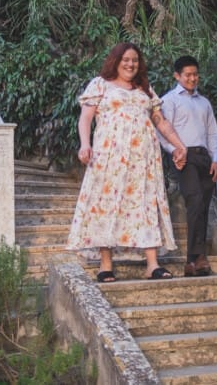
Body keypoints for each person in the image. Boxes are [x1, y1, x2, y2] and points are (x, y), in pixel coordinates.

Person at [66, 43, 188, 281]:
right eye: (126, 59)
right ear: (116, 60)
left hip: (143, 161)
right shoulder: (100, 84)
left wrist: (179, 146)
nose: (131, 64)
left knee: (145, 204)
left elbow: (160, 122)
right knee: (106, 205)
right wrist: (85, 143)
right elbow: (85, 119)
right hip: (109, 158)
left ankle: (152, 264)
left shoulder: (145, 89)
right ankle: (105, 265)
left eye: (135, 60)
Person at [161, 55, 217, 277]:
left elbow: (213, 133)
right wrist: (175, 151)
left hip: (204, 156)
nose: (192, 78)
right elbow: (163, 132)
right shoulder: (169, 100)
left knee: (203, 205)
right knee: (194, 199)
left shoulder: (204, 103)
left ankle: (195, 259)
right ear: (177, 76)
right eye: (187, 75)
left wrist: (216, 159)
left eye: (195, 74)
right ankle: (195, 257)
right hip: (183, 157)